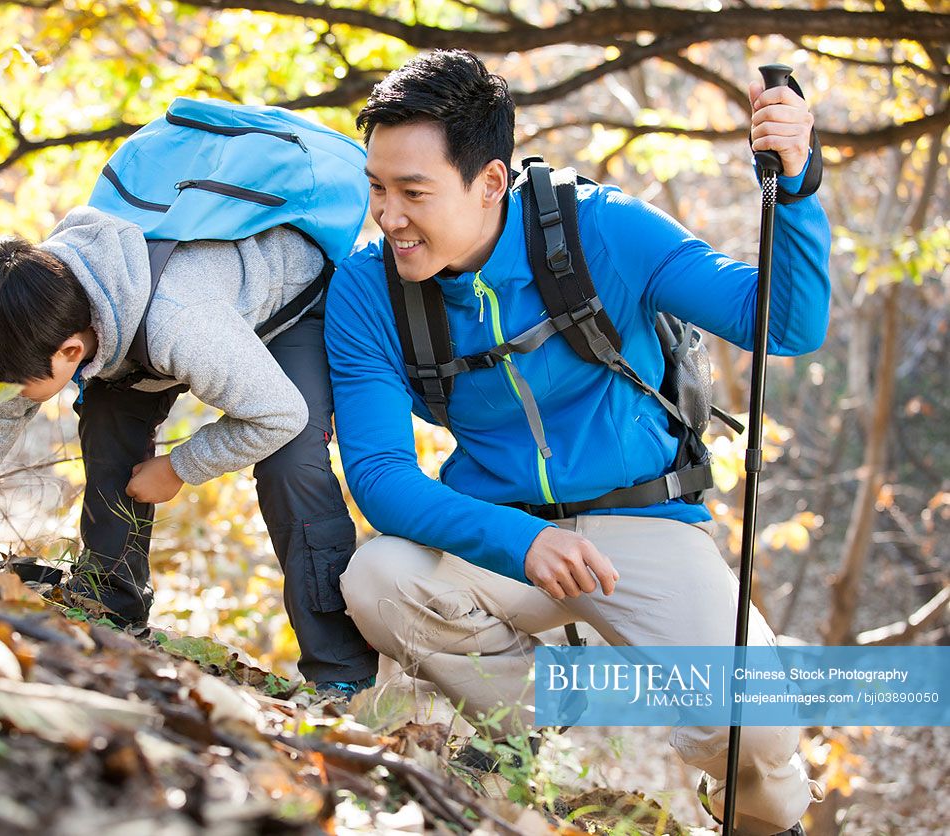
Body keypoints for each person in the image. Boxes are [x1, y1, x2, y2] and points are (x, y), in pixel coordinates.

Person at [325, 50, 828, 835]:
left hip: (643, 524)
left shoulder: (602, 229)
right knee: (378, 576)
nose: (387, 216)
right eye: (377, 188)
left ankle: (758, 820)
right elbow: (382, 474)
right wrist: (519, 541)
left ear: (490, 182)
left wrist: (794, 185)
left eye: (413, 192)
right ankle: (519, 741)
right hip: (496, 532)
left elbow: (783, 324)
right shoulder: (367, 287)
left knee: (754, 728)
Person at [0, 208, 378, 696]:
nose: (4, 397)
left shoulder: (179, 324)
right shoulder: (41, 296)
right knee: (107, 417)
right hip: (155, 323)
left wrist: (178, 467)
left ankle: (342, 677)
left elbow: (279, 414)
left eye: (12, 386)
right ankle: (110, 604)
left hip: (292, 307)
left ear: (69, 352)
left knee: (290, 464)